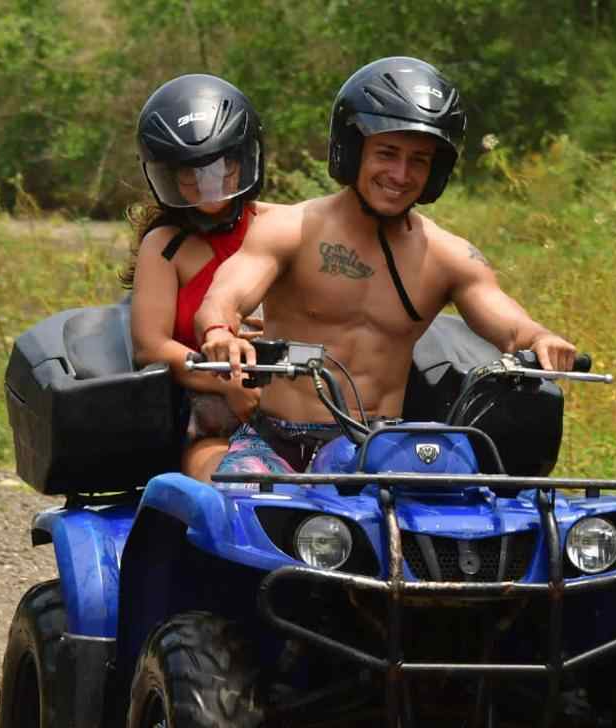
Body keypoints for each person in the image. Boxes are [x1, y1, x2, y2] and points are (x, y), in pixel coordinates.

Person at [193, 56, 577, 476]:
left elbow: (509, 324)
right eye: (387, 153)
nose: (400, 174)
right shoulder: (290, 228)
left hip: (381, 448)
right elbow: (225, 295)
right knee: (241, 502)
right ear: (353, 150)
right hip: (278, 443)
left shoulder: (448, 256)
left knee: (451, 514)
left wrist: (540, 338)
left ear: (436, 171)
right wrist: (219, 332)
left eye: (419, 160)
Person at [124, 74, 269, 481]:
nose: (208, 184)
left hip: (295, 400)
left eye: (222, 166)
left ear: (245, 161)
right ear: (166, 176)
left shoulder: (279, 227)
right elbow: (151, 347)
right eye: (190, 174)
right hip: (210, 412)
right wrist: (225, 385)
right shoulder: (165, 246)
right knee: (230, 485)